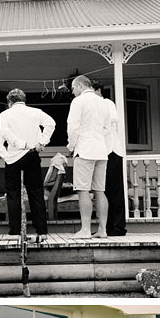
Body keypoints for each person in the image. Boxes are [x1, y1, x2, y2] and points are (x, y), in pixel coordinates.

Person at [0, 88, 55, 244]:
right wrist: (41, 142)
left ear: (9, 102)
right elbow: (51, 123)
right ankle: (41, 230)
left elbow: (5, 134)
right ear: (23, 100)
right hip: (32, 154)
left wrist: (12, 153)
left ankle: (15, 231)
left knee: (13, 193)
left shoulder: (4, 115)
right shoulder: (35, 112)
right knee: (36, 192)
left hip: (14, 157)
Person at [67, 75, 110, 241]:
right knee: (100, 190)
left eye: (73, 88)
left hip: (84, 149)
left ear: (79, 86)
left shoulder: (78, 101)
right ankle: (102, 229)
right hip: (101, 150)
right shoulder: (103, 102)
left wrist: (71, 146)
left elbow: (73, 127)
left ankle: (85, 229)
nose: (72, 92)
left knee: (83, 190)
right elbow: (107, 127)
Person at [98, 87, 126, 239]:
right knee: (105, 190)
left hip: (112, 152)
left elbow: (114, 118)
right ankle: (108, 226)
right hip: (103, 152)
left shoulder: (107, 103)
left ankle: (117, 226)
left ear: (97, 91)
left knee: (114, 190)